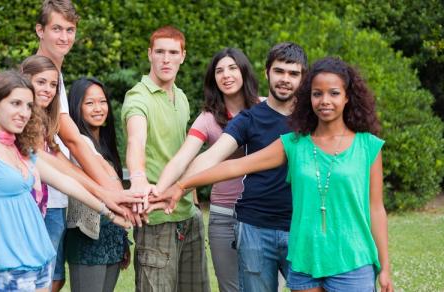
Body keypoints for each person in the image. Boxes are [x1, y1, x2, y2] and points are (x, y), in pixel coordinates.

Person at [159, 57, 394, 292]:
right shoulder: (294, 144)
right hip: (305, 260)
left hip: (352, 260)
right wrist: (181, 186)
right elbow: (234, 167)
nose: (324, 101)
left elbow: (376, 209)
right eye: (317, 94)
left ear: (347, 97)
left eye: (333, 93)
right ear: (308, 98)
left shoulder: (367, 146)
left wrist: (385, 267)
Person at [150, 42, 307, 292]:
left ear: (303, 77)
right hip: (255, 227)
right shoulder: (248, 118)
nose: (285, 79)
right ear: (267, 72)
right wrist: (170, 188)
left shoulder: (311, 117)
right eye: (279, 71)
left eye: (293, 73)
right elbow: (210, 158)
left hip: (301, 225)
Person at [0, 71, 129, 291]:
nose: (23, 112)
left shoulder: (20, 150)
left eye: (29, 106)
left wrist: (109, 211)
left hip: (39, 261)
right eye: (16, 103)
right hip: (7, 267)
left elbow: (65, 182)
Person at [34, 2, 135, 289]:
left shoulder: (57, 79)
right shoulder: (37, 78)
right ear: (40, 30)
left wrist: (112, 193)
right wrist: (113, 195)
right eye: (56, 29)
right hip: (36, 202)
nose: (64, 37)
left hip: (56, 199)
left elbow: (64, 151)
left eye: (70, 30)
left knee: (54, 280)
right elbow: (73, 142)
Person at [155, 47, 259, 292]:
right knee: (231, 287)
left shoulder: (264, 109)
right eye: (219, 71)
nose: (226, 75)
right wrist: (165, 189)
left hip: (261, 215)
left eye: (232, 68)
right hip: (223, 216)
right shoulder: (208, 119)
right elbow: (185, 157)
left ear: (244, 71)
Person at [121, 25, 210, 292]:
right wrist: (137, 178)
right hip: (157, 219)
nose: (166, 59)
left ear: (183, 56)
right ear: (149, 54)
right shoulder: (138, 98)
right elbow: (136, 140)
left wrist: (192, 202)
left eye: (173, 52)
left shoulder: (180, 97)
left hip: (189, 216)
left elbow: (183, 152)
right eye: (159, 51)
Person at [64, 77, 130, 292]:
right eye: (89, 103)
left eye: (102, 102)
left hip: (112, 235)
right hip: (87, 236)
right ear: (76, 106)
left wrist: (123, 240)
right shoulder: (75, 143)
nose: (98, 108)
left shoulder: (106, 144)